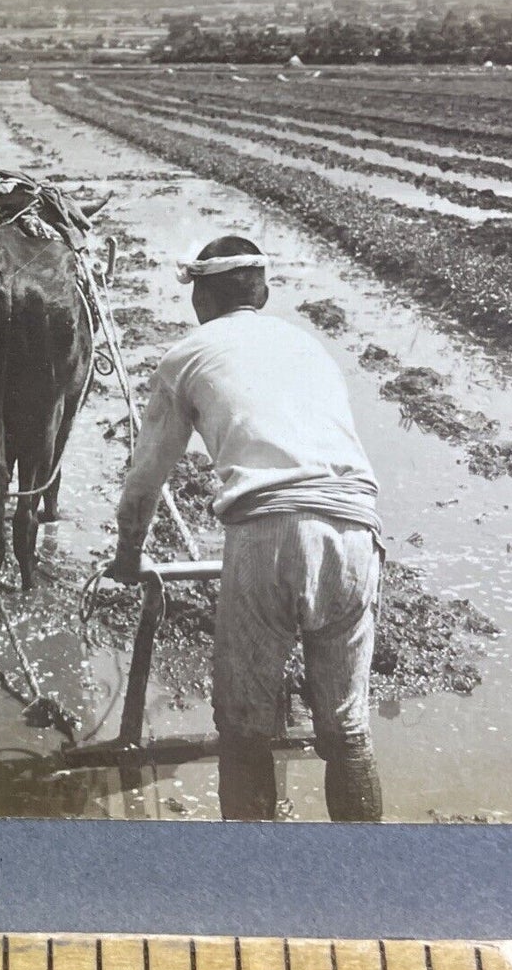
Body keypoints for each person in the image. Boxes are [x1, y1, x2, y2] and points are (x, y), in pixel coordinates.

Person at [106, 235, 384, 822]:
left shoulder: (187, 356)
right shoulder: (309, 348)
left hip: (270, 533)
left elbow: (144, 482)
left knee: (243, 725)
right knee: (347, 727)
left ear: (201, 296)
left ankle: (247, 884)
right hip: (358, 531)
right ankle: (372, 886)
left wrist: (129, 557)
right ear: (263, 292)